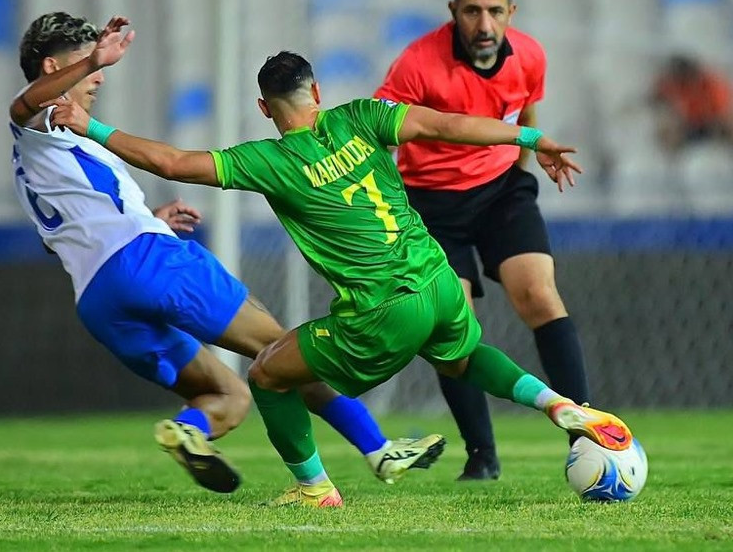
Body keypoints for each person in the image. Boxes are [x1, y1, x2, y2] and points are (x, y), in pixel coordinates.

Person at [43, 50, 634, 509]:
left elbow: (171, 163)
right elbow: (445, 126)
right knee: (464, 355)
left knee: (270, 372)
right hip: (439, 282)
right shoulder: (363, 116)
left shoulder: (267, 161)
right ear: (317, 93)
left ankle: (315, 487)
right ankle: (558, 404)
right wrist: (530, 137)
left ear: (263, 108)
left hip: (381, 310)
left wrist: (91, 125)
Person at [8, 13, 442, 496]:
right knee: (283, 355)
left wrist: (150, 216)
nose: (98, 76)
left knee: (227, 396)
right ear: (51, 67)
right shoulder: (46, 120)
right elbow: (24, 104)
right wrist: (94, 57)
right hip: (153, 263)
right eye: (86, 67)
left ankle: (191, 429)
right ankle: (376, 449)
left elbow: (61, 236)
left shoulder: (31, 161)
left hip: (99, 297)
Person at [374, 0, 593, 480]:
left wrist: (533, 156)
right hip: (430, 204)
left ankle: (587, 431)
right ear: (454, 12)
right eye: (472, 11)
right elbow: (380, 132)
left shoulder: (531, 55)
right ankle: (482, 456)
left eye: (495, 10)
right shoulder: (416, 64)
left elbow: (525, 113)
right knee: (456, 324)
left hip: (500, 191)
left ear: (511, 12)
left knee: (539, 294)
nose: (485, 24)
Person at [648, 54, 733, 154]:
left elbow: (725, 109)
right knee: (666, 132)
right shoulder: (672, 84)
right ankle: (671, 164)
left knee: (732, 128)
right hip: (687, 125)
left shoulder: (712, 84)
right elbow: (656, 98)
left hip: (712, 123)